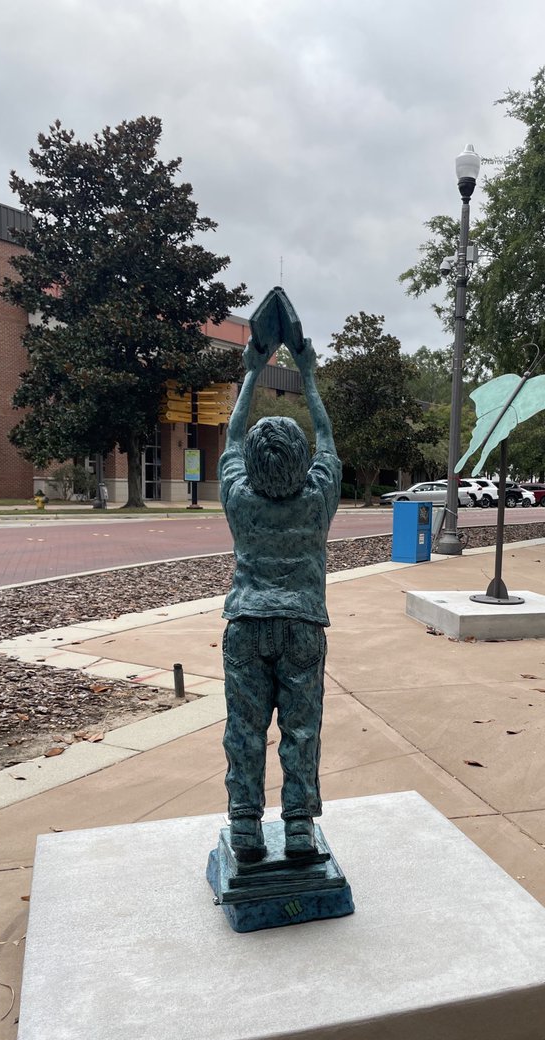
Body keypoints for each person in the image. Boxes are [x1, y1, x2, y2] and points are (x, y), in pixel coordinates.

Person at [218, 336, 341, 862]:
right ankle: (298, 828)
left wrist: (252, 371)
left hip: (247, 622)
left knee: (244, 730)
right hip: (302, 627)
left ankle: (246, 826)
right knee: (301, 729)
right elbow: (328, 439)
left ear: (252, 464)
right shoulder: (317, 498)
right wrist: (307, 375)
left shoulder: (239, 497)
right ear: (301, 461)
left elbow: (231, 437)